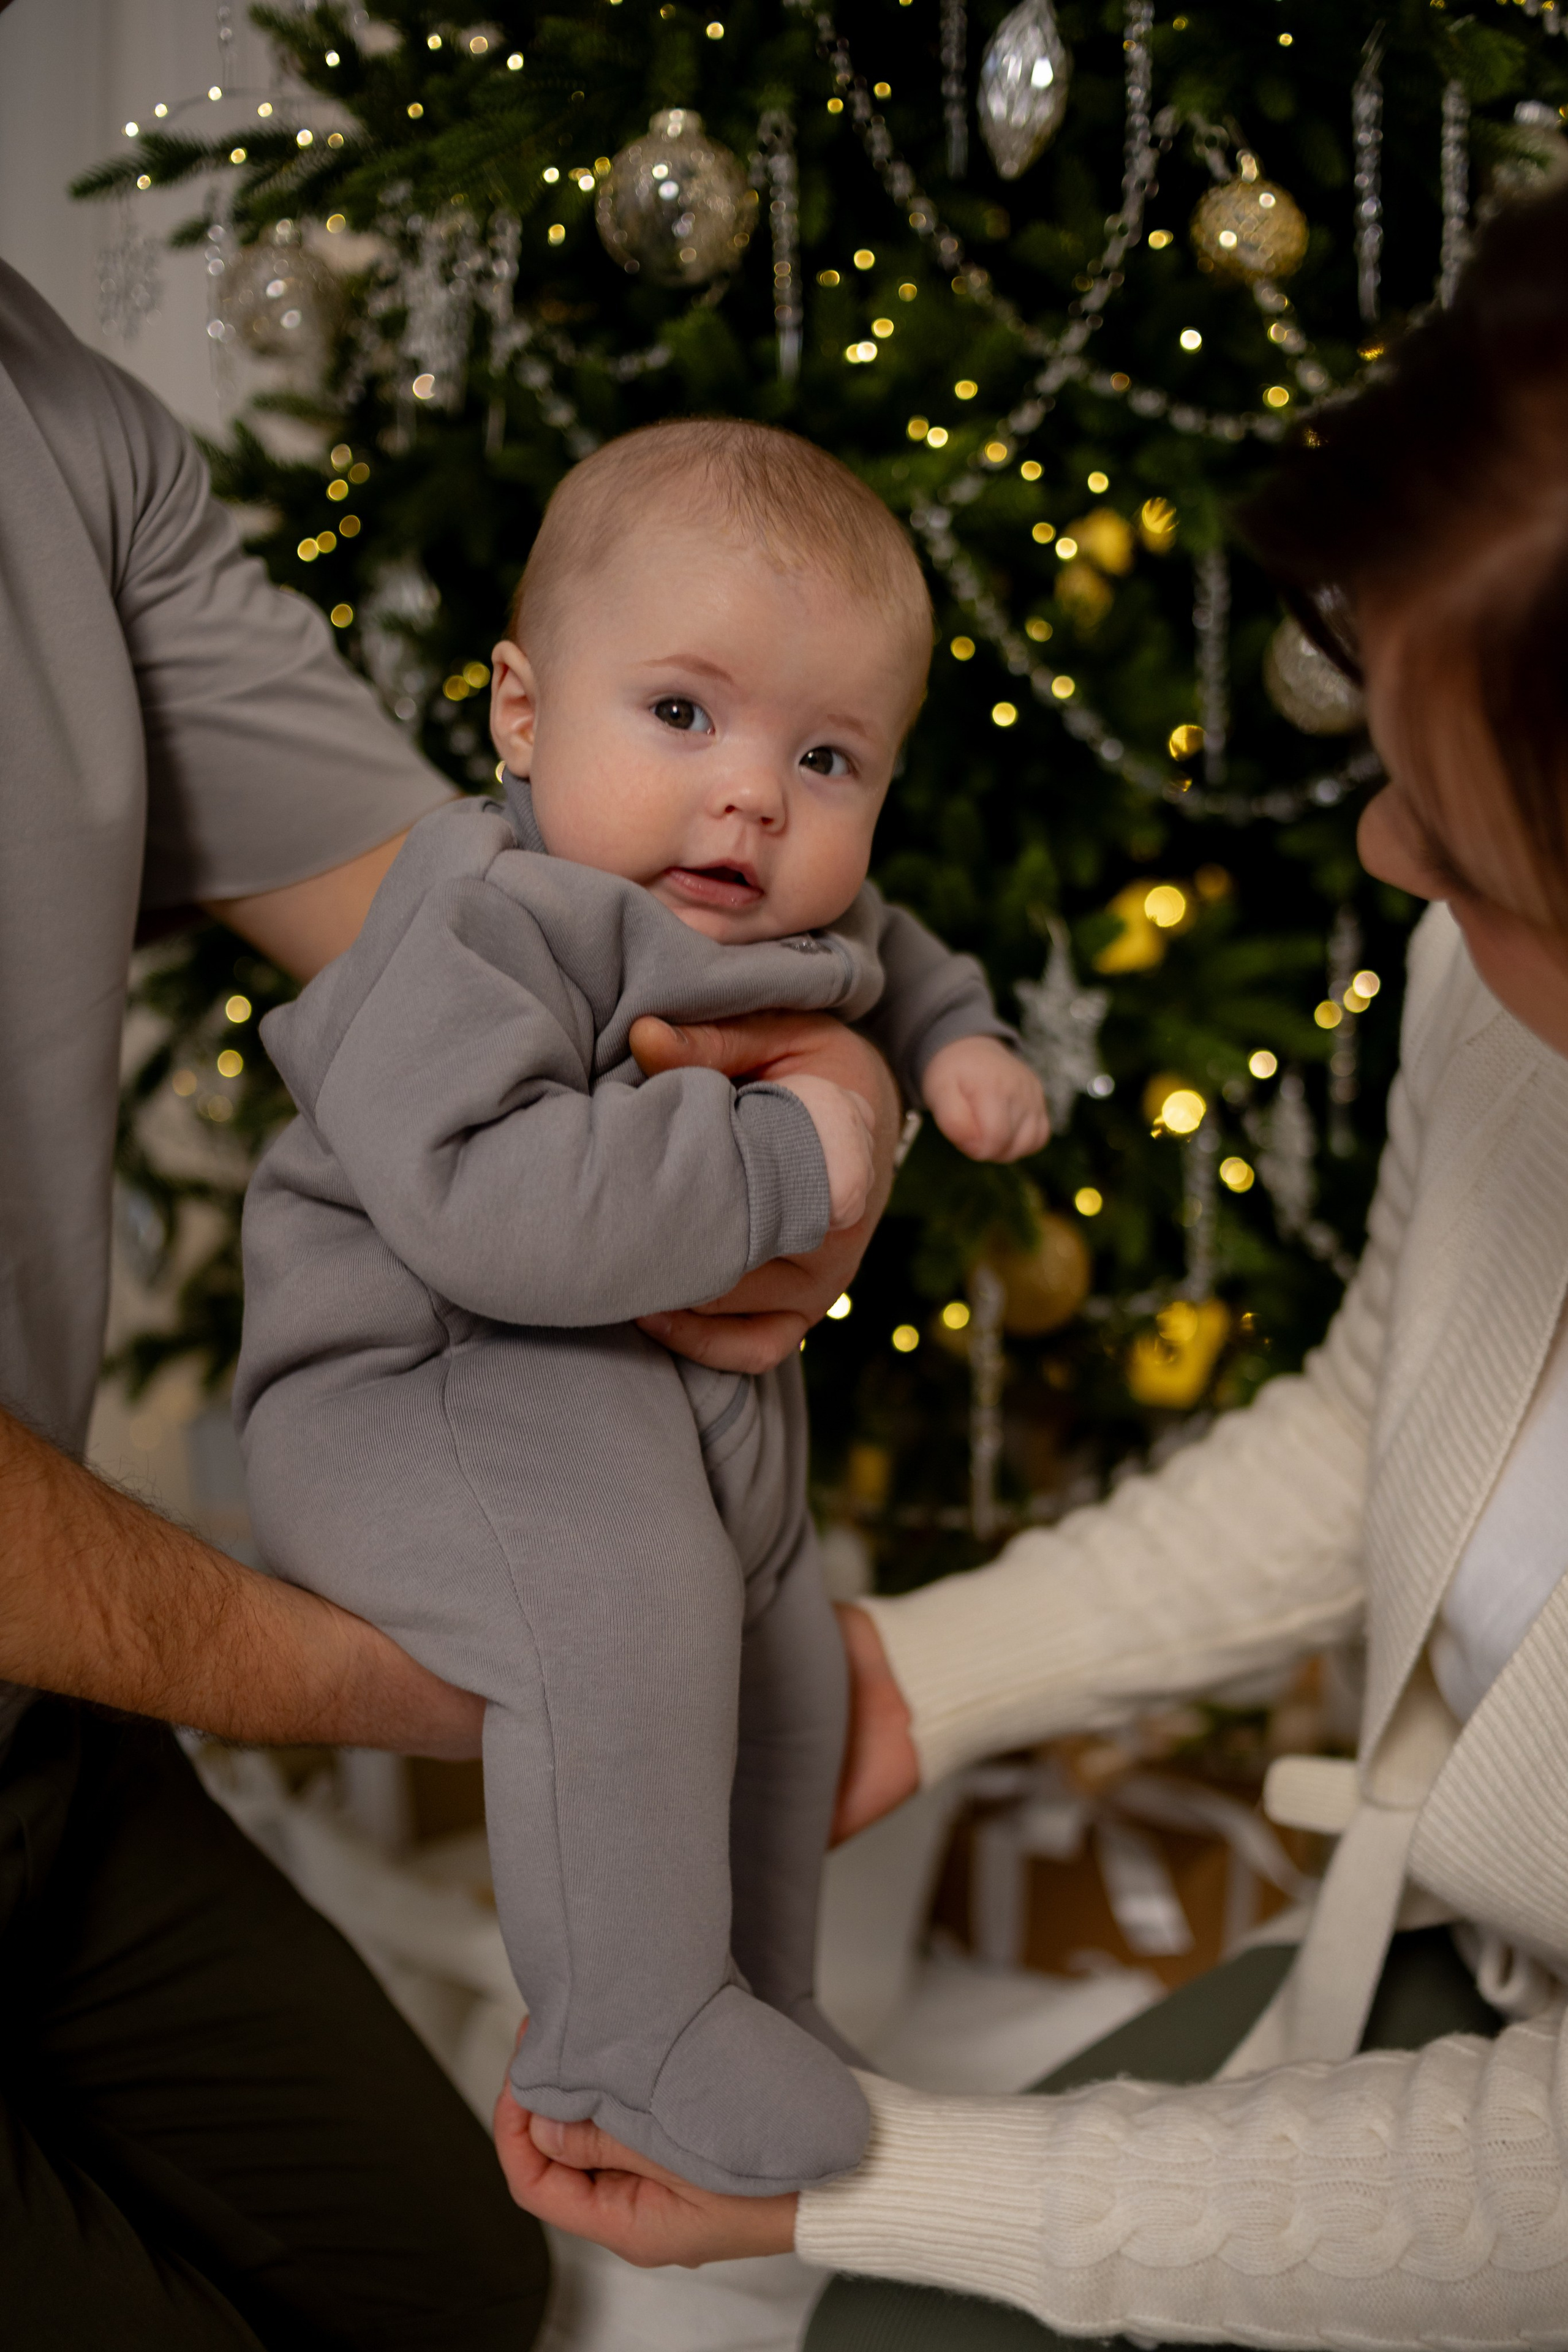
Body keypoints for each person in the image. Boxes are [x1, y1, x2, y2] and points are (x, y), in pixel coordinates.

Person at [492, 180, 1568, 2348]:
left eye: (1455, 836)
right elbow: (1390, 1414)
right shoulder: (1495, 989)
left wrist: (904, 2177)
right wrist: (929, 1674)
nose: (1380, 854)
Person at [232, 421, 1049, 2203]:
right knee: (628, 1616)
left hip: (662, 1407)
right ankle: (627, 2025)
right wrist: (783, 1154)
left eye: (825, 756)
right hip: (429, 1383)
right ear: (523, 716)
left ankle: (760, 1993)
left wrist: (956, 1047)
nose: (753, 794)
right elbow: (480, 1209)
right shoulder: (486, 919)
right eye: (683, 715)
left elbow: (893, 953)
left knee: (787, 1663)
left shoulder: (768, 909)